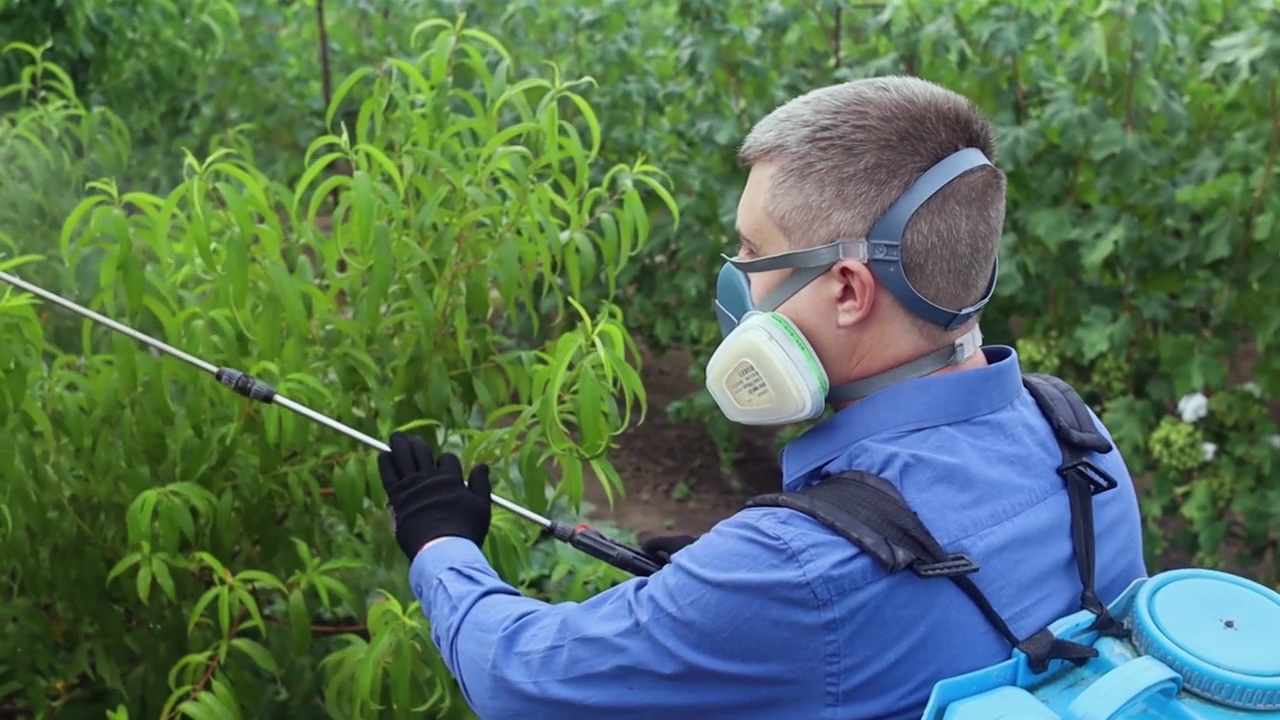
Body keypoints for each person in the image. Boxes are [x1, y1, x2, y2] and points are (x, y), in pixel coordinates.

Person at [375, 76, 1149, 720]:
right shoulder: (1076, 439)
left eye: (752, 250)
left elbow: (520, 679)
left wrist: (442, 545)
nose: (737, 277)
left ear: (848, 289)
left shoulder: (795, 570)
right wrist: (715, 602)